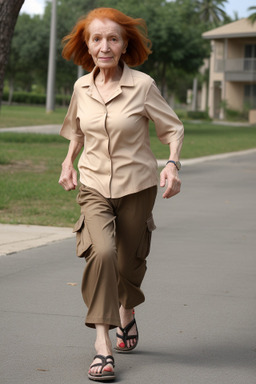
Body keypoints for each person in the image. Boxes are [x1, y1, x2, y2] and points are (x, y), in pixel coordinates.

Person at [58, 7, 184, 382]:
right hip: (94, 184)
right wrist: (68, 162)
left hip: (137, 186)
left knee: (129, 262)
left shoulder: (142, 85)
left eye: (113, 38)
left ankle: (127, 309)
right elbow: (77, 131)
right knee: (104, 253)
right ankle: (102, 343)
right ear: (87, 45)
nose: (105, 46)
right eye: (96, 39)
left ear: (125, 44)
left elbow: (173, 129)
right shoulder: (82, 87)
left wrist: (173, 164)